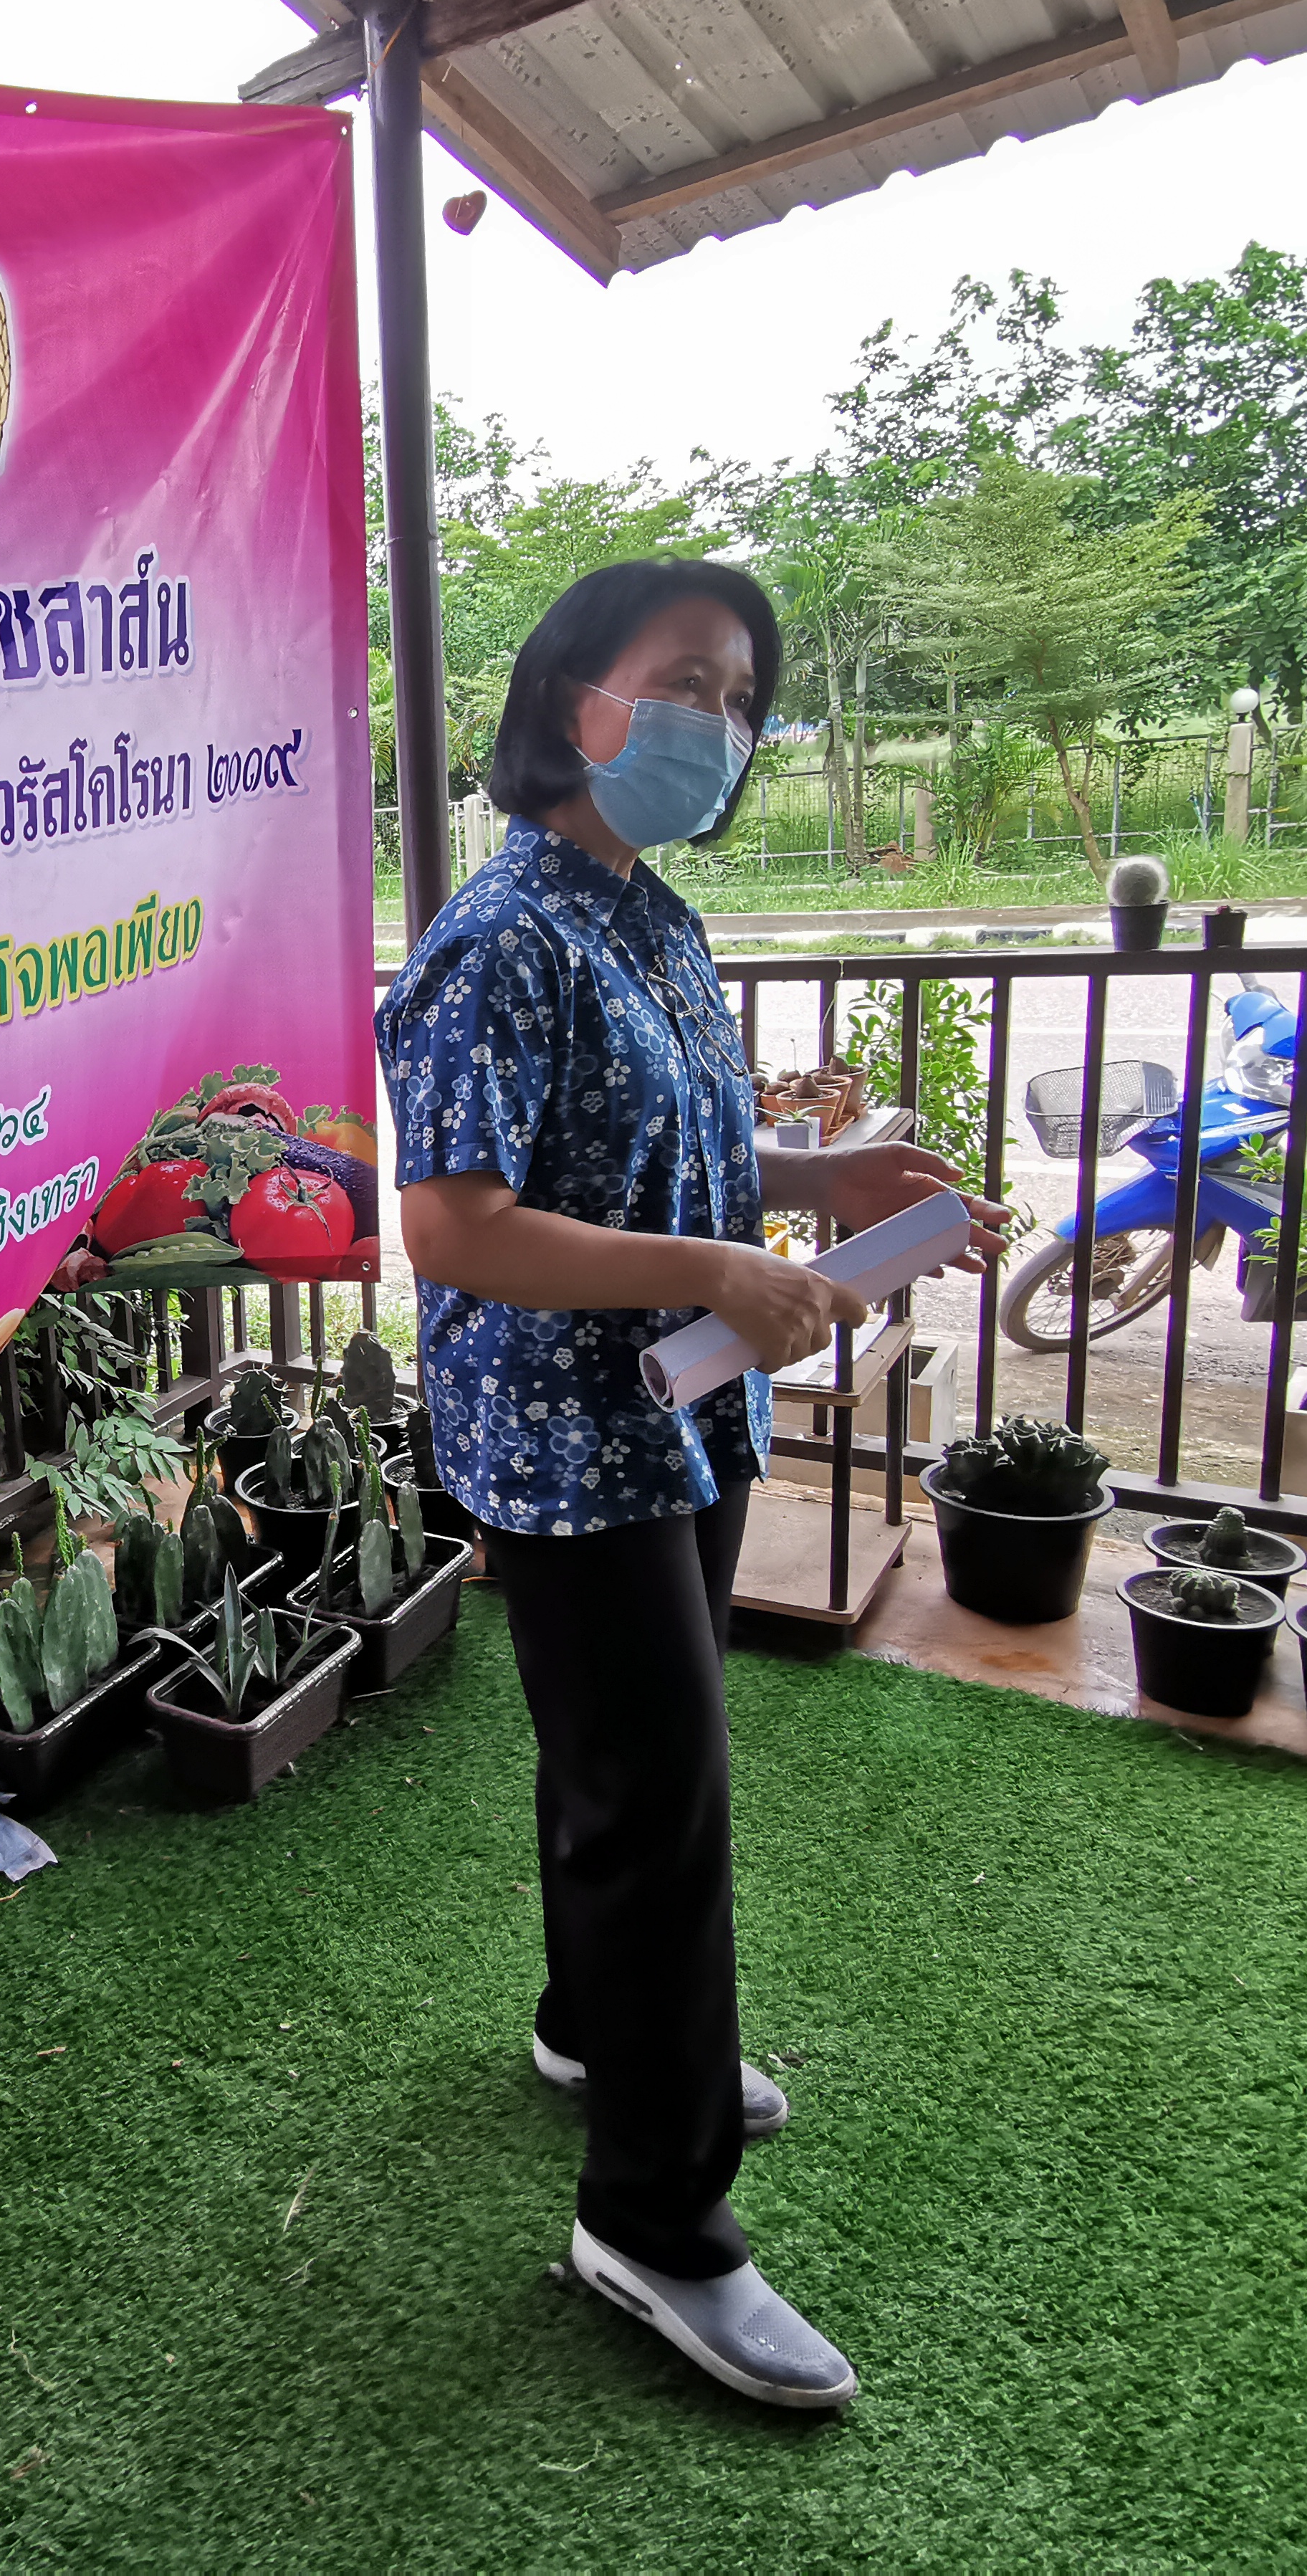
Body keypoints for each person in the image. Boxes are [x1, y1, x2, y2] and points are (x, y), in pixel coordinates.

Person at [374, 559, 1002, 2412]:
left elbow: (688, 1156)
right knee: (665, 1798)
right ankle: (654, 2223)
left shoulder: (655, 919)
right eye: (687, 685)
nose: (720, 727)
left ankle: (599, 2031)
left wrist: (833, 1184)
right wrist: (718, 1273)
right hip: (571, 1446)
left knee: (631, 1763)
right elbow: (457, 1226)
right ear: (579, 704)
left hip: (680, 1412)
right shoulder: (500, 936)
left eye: (742, 698)